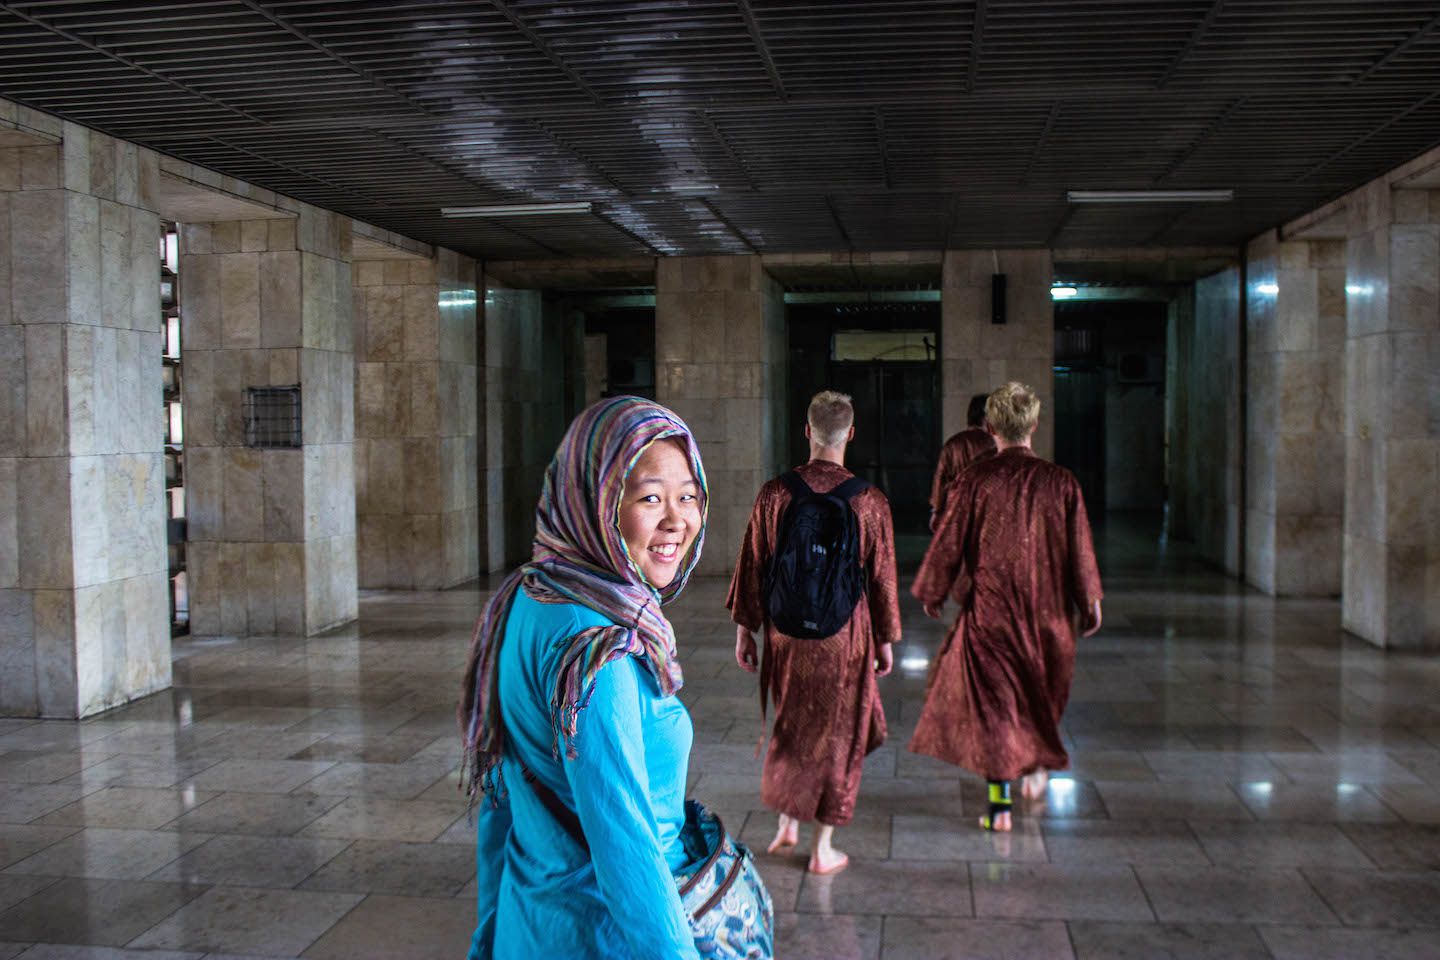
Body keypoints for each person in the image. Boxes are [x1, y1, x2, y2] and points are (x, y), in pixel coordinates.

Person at [459, 395, 708, 960]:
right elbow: (628, 851)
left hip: (531, 925)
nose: (678, 520)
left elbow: (502, 801)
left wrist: (489, 934)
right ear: (595, 498)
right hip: (599, 938)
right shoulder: (599, 653)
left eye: (688, 496)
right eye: (650, 498)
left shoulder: (529, 595)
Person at [909, 382, 1103, 833]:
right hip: (1049, 616)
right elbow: (1080, 549)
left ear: (991, 427)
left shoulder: (973, 481)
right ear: (1034, 425)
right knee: (1041, 694)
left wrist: (933, 592)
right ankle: (1033, 768)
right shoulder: (1062, 483)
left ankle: (999, 805)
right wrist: (1089, 599)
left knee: (996, 708)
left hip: (991, 615)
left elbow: (949, 543)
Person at [727, 390, 901, 875]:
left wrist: (746, 629)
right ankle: (822, 849)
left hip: (785, 633)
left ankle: (787, 823)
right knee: (838, 733)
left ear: (807, 431)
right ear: (850, 434)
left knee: (792, 720)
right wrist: (884, 641)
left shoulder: (775, 494)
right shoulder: (869, 501)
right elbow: (882, 577)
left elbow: (753, 565)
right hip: (845, 635)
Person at [928, 392, 997, 530]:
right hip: (985, 511)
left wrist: (936, 511)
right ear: (986, 417)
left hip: (956, 511)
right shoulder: (993, 444)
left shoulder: (952, 444)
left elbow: (940, 479)